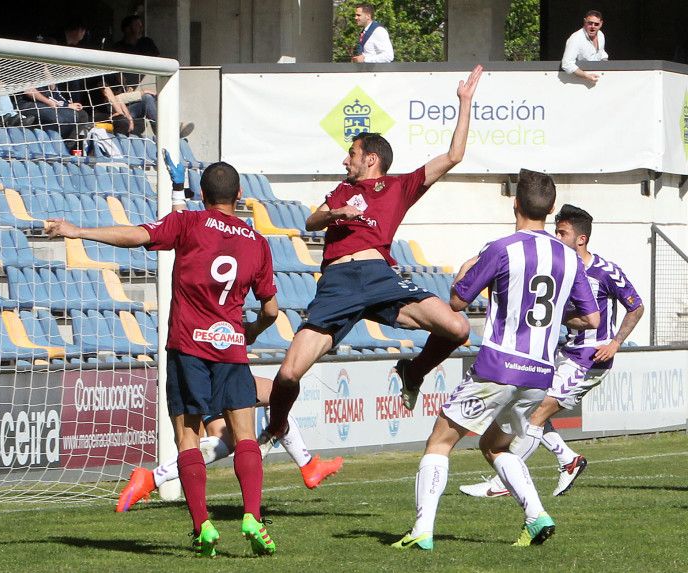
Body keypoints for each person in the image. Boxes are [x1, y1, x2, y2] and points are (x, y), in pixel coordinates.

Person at [46, 155, 280, 558]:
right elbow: (272, 310)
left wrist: (77, 230)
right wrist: (249, 332)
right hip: (231, 351)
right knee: (245, 436)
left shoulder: (188, 223)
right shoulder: (257, 242)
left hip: (188, 348)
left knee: (188, 438)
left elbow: (136, 235)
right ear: (240, 196)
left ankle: (202, 526)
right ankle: (253, 516)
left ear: (203, 195)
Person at [261, 66, 484, 443]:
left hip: (381, 277)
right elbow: (311, 222)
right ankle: (278, 424)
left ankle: (413, 373)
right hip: (338, 284)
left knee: (458, 328)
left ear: (370, 158)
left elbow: (454, 155)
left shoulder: (400, 186)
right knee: (287, 374)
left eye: (352, 153)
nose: (345, 160)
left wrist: (464, 103)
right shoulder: (340, 192)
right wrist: (336, 212)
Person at [393, 169, 599, 551]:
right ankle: (537, 517)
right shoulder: (571, 259)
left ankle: (421, 531)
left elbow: (456, 302)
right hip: (539, 374)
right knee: (495, 446)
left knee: (439, 442)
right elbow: (591, 319)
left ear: (516, 203)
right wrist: (554, 315)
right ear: (552, 210)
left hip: (498, 367)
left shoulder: (502, 248)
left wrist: (471, 265)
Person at [459, 204, 644, 499]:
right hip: (565, 351)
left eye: (562, 232)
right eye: (555, 231)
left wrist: (615, 342)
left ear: (581, 239)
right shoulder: (560, 265)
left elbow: (636, 306)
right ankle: (568, 460)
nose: (556, 237)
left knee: (535, 416)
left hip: (589, 358)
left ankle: (501, 484)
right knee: (532, 410)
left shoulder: (605, 271)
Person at [116, 375, 344, 512]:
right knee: (281, 390)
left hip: (203, 367)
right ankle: (306, 464)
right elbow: (268, 314)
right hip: (219, 365)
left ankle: (150, 478)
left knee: (224, 440)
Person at [561, 10, 607, 86]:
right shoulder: (576, 38)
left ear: (601, 24)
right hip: (579, 83)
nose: (593, 26)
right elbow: (567, 64)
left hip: (598, 80)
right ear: (585, 21)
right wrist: (587, 76)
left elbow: (602, 54)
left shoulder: (601, 35)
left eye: (596, 24)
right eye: (590, 23)